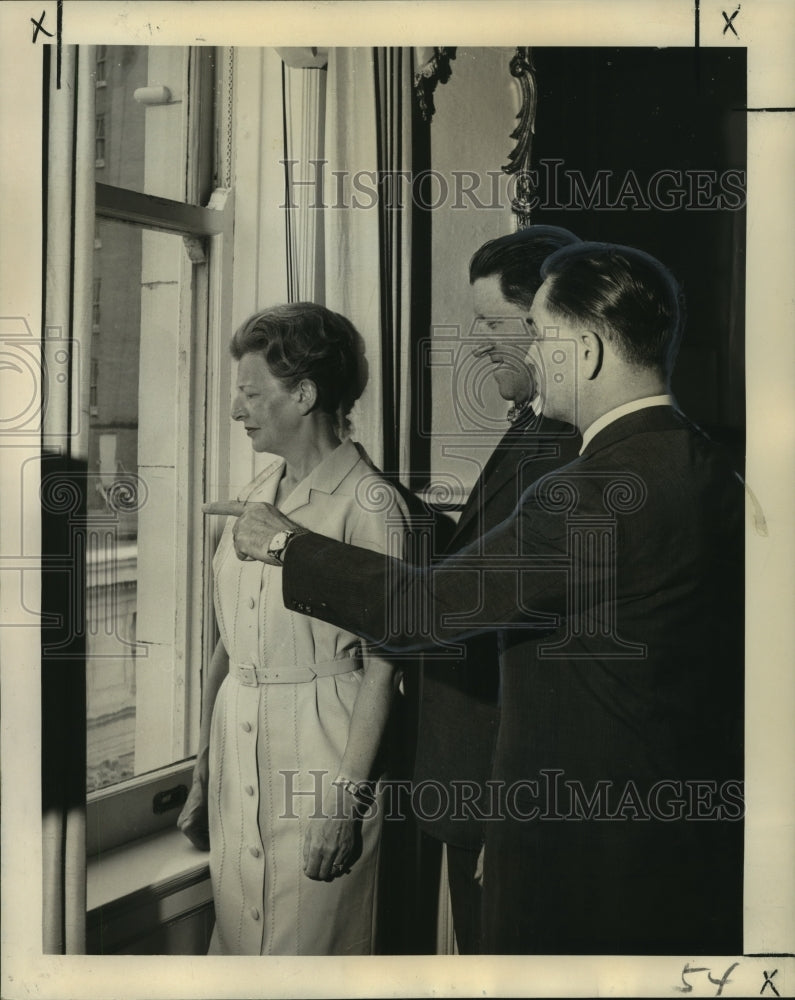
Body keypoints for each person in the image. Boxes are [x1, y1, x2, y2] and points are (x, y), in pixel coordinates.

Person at [206, 242, 745, 956]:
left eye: (541, 338)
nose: (529, 354)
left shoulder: (582, 491)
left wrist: (286, 545)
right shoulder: (707, 464)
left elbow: (427, 610)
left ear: (583, 352)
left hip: (572, 841)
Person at [178, 302, 409, 955]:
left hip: (325, 753)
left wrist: (343, 802)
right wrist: (204, 767)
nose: (234, 411)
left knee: (308, 955)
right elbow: (230, 639)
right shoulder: (255, 489)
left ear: (303, 394)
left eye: (251, 394)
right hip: (238, 748)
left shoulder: (371, 505)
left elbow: (386, 665)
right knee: (239, 949)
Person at [411, 225, 581, 953]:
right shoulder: (532, 429)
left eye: (492, 323)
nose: (477, 343)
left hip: (499, 792)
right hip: (476, 781)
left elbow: (540, 647)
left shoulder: (566, 450)